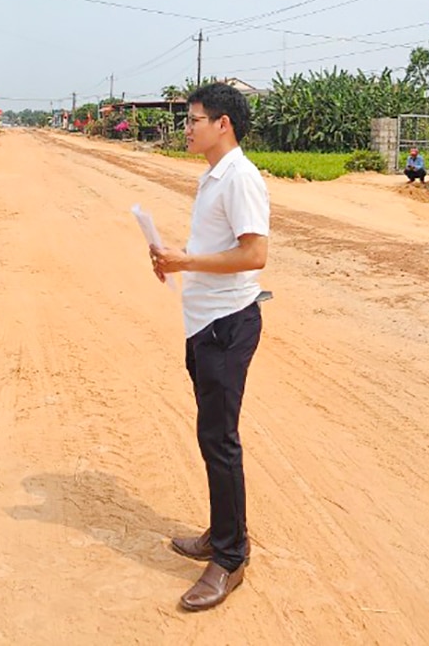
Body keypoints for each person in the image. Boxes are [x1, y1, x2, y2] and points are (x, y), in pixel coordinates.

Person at [148, 82, 269, 612]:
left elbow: (255, 254)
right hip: (204, 321)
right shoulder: (214, 175)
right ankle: (220, 532)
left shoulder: (241, 177)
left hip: (227, 324)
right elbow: (217, 247)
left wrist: (186, 263)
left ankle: (230, 558)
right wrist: (176, 257)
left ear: (224, 124)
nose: (187, 127)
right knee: (209, 434)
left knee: (220, 439)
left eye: (194, 118)